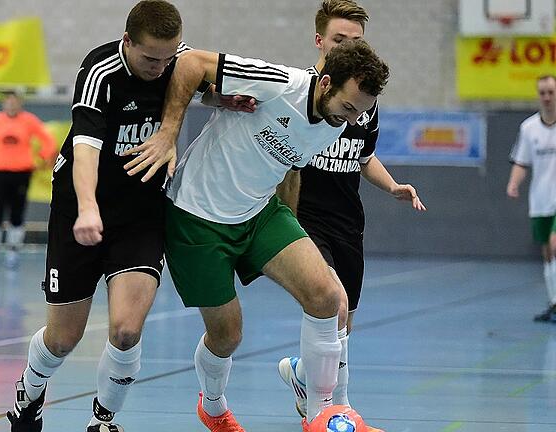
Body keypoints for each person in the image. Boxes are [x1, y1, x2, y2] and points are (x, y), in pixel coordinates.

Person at [5, 2, 255, 432]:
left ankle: (103, 421)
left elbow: (198, 83)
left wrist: (223, 99)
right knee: (63, 338)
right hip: (81, 210)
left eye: (168, 57)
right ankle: (30, 387)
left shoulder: (177, 60)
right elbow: (84, 148)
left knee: (125, 331)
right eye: (150, 58)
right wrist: (87, 210)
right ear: (127, 42)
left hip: (140, 216)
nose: (160, 67)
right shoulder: (100, 74)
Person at [123, 39, 390, 430]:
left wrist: (292, 238)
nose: (350, 120)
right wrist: (168, 133)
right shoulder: (278, 82)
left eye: (359, 113)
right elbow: (191, 63)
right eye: (348, 107)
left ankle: (320, 414)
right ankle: (212, 406)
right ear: (326, 82)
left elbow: (290, 170)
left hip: (261, 212)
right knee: (227, 335)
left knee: (328, 296)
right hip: (198, 218)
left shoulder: (335, 123)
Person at [274, 0, 425, 420]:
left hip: (347, 219)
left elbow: (360, 155)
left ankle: (304, 374)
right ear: (319, 40)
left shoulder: (366, 101)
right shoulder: (297, 90)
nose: (348, 49)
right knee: (330, 303)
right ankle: (333, 409)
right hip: (303, 216)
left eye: (357, 41)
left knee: (344, 322)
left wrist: (393, 184)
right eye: (340, 40)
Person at [0, 91, 57, 270]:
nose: (11, 105)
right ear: (3, 103)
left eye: (14, 102)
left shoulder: (29, 121)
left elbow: (48, 141)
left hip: (21, 174)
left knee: (16, 214)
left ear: (20, 103)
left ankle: (13, 252)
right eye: (8, 102)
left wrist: (40, 158)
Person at [507, 74, 556, 323]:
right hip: (540, 200)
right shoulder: (529, 128)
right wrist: (514, 183)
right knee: (548, 253)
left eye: (551, 92)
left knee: (554, 243)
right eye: (543, 93)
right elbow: (521, 161)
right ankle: (554, 302)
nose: (547, 97)